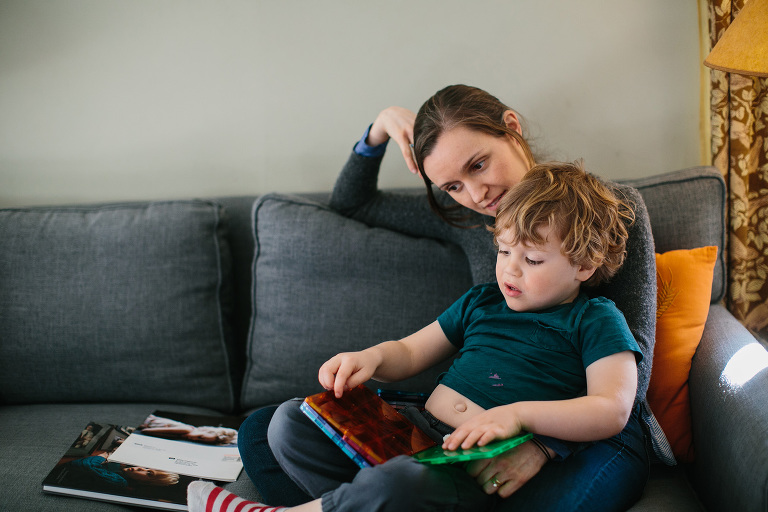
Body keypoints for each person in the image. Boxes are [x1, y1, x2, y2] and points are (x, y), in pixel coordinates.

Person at [235, 85, 668, 509]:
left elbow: (631, 363)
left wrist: (539, 442)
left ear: (511, 128)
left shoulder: (602, 211)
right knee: (266, 427)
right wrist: (379, 129)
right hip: (451, 420)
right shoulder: (467, 221)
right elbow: (351, 202)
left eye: (478, 165)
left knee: (407, 481)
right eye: (453, 187)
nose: (476, 195)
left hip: (568, 422)